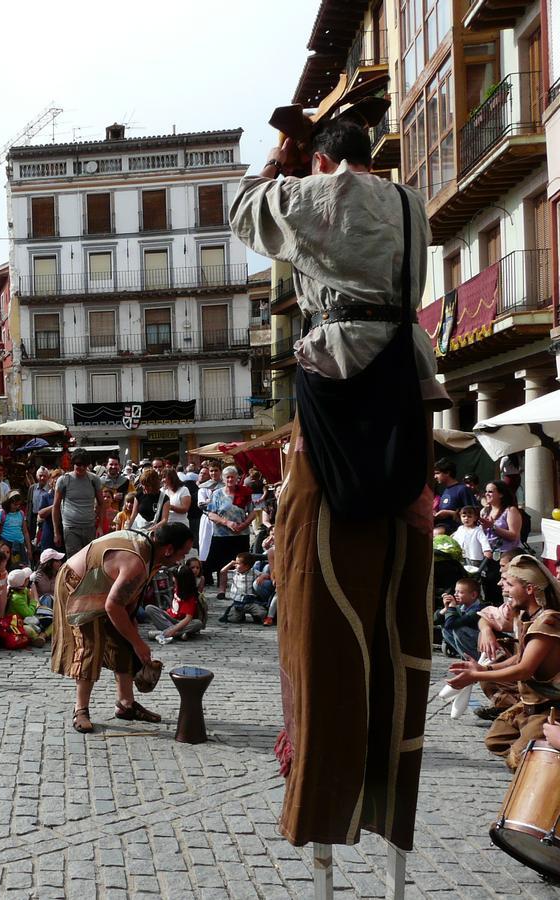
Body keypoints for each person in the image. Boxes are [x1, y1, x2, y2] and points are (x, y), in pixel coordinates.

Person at [230, 117, 442, 852]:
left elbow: (242, 215)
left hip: (342, 377)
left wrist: (276, 164)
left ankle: (323, 775)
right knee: (406, 560)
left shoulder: (316, 192)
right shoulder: (410, 203)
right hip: (408, 381)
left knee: (310, 557)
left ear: (323, 159)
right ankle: (390, 768)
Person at [51, 522, 193, 734]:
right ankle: (80, 709)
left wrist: (131, 632)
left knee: (122, 640)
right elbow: (113, 606)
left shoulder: (153, 550)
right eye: (183, 553)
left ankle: (126, 704)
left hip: (105, 588)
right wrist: (139, 643)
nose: (182, 559)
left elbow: (125, 599)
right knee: (91, 643)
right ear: (169, 549)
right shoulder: (135, 561)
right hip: (78, 584)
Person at [447, 555, 560, 770]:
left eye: (509, 583)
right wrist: (484, 668)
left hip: (550, 706)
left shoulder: (548, 621)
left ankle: (542, 759)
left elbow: (524, 668)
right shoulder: (528, 616)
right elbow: (519, 657)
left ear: (529, 589)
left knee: (519, 759)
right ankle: (532, 749)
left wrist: (477, 675)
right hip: (530, 702)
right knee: (495, 739)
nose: (502, 586)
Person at [202, 467, 256, 595]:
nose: (230, 479)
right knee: (221, 563)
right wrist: (227, 522)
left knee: (242, 562)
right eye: (228, 477)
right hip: (221, 534)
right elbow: (211, 514)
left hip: (241, 534)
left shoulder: (245, 492)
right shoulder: (217, 494)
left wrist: (245, 524)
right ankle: (222, 589)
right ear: (223, 479)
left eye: (233, 476)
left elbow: (252, 512)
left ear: (237, 478)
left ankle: (243, 589)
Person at [53, 450, 104, 557]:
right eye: (78, 464)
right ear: (73, 463)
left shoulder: (94, 480)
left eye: (84, 465)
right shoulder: (64, 480)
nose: (81, 467)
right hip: (70, 528)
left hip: (90, 527)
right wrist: (56, 532)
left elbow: (101, 504)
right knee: (74, 562)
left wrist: (99, 526)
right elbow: (56, 506)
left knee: (90, 560)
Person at [151, 563, 205, 644]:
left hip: (182, 622)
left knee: (198, 623)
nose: (172, 579)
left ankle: (166, 633)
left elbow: (188, 618)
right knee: (150, 608)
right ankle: (180, 634)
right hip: (171, 618)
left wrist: (174, 630)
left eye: (174, 577)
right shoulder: (177, 588)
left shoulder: (190, 596)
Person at [439, 577, 483, 661]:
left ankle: (477, 660)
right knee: (445, 629)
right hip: (472, 641)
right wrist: (446, 608)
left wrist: (452, 607)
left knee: (458, 630)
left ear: (473, 595)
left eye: (460, 592)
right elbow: (436, 621)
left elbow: (450, 624)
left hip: (479, 644)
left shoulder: (477, 610)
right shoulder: (461, 607)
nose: (455, 594)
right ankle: (467, 658)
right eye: (455, 591)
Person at [481, 481, 525, 557]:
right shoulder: (484, 511)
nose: (486, 494)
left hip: (507, 555)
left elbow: (514, 536)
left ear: (501, 494)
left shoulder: (510, 511)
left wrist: (492, 527)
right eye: (486, 491)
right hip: (488, 555)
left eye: (490, 492)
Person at [433, 459, 476, 535]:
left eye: (437, 473)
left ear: (447, 473)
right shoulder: (445, 490)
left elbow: (473, 513)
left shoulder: (462, 489)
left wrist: (449, 513)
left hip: (456, 532)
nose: (435, 477)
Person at [0, 492, 29, 568]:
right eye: (15, 504)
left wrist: (29, 548)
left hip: (20, 545)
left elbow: (25, 532)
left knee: (20, 567)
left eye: (19, 504)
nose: (17, 506)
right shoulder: (0, 514)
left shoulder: (21, 513)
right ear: (8, 503)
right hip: (6, 545)